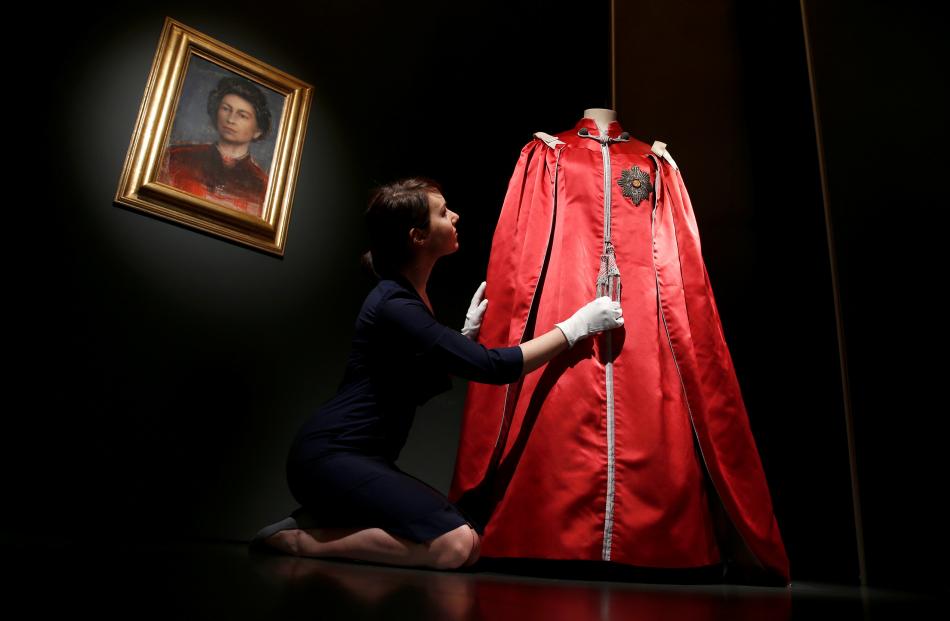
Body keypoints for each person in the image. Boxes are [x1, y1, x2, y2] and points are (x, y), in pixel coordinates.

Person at [249, 177, 624, 569]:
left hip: (358, 459)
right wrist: (575, 327)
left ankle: (320, 520)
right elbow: (492, 367)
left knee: (463, 535)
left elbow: (412, 381)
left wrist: (462, 336)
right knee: (457, 545)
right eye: (443, 213)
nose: (455, 216)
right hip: (330, 456)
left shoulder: (408, 297)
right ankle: (302, 542)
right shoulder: (394, 303)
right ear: (418, 236)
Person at [157, 76, 271, 217]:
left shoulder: (264, 186)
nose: (230, 119)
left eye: (242, 115)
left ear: (258, 130)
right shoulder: (176, 157)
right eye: (226, 109)